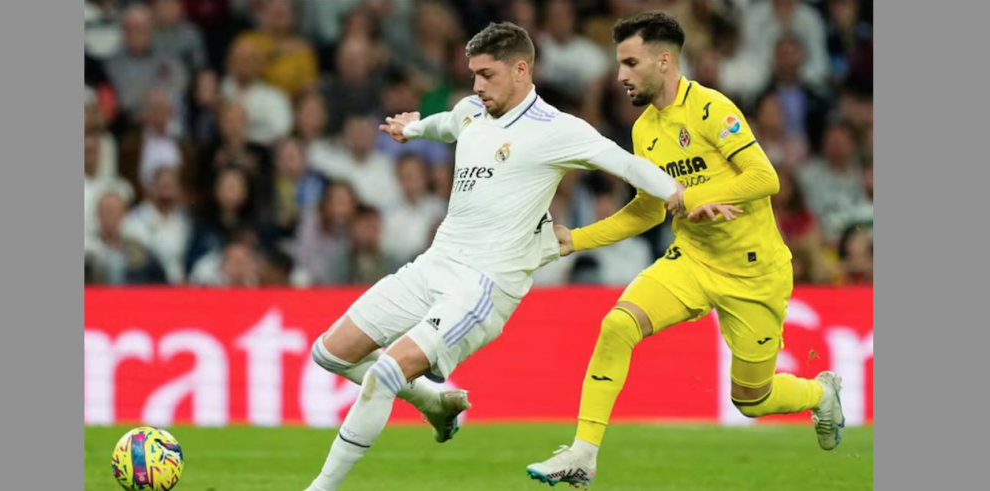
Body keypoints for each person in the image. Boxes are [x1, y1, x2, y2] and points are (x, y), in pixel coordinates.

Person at [303, 22, 685, 491]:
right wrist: (413, 129)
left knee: (385, 373)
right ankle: (432, 402)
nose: (477, 85)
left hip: (482, 287)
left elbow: (625, 163)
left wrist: (679, 194)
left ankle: (320, 487)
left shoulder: (557, 129)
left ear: (521, 70)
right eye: (473, 75)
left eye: (487, 75)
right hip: (433, 265)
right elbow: (446, 124)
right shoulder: (471, 111)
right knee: (329, 353)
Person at [527, 12, 845, 489]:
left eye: (630, 63)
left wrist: (692, 196)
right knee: (618, 326)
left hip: (753, 273)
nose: (620, 75)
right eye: (619, 64)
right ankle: (583, 455)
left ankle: (820, 394)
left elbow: (765, 178)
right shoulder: (644, 130)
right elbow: (648, 210)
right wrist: (577, 239)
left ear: (664, 61)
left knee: (752, 399)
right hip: (693, 260)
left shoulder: (711, 109)